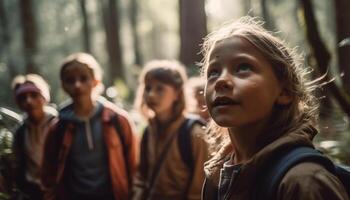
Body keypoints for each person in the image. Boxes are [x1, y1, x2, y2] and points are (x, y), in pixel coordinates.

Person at [201, 16, 349, 200]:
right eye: (213, 72)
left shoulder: (304, 181)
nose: (221, 80)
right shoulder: (217, 172)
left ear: (284, 92)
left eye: (243, 68)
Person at [41, 52, 139, 200]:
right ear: (63, 85)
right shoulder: (58, 128)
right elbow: (48, 172)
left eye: (83, 78)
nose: (77, 85)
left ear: (96, 81)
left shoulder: (118, 120)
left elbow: (134, 166)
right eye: (70, 80)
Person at [132, 60, 209, 200]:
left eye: (159, 89)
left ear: (177, 94)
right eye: (148, 88)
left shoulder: (194, 133)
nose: (151, 95)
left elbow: (199, 190)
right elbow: (141, 177)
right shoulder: (148, 131)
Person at [11, 74, 57, 200]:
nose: (28, 101)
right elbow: (18, 164)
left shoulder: (59, 124)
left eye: (34, 95)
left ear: (44, 97)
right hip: (32, 192)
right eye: (23, 98)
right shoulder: (20, 132)